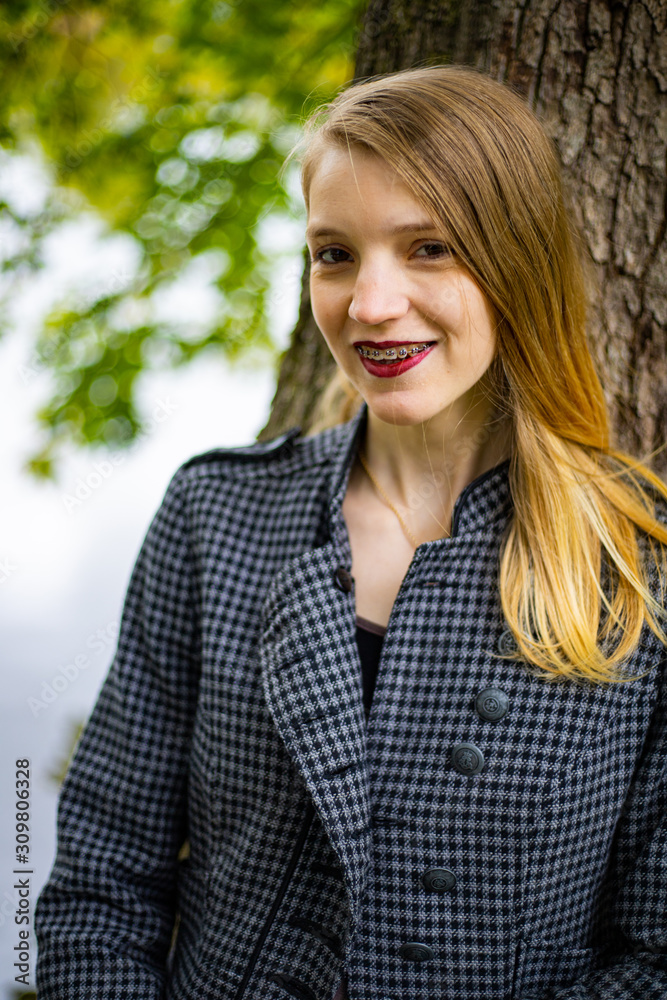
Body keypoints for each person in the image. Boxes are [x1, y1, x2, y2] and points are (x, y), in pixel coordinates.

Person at [34, 64, 667, 1000]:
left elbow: (654, 959)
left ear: (516, 263)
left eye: (428, 249)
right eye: (334, 253)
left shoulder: (635, 565)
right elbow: (101, 883)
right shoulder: (218, 516)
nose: (368, 305)